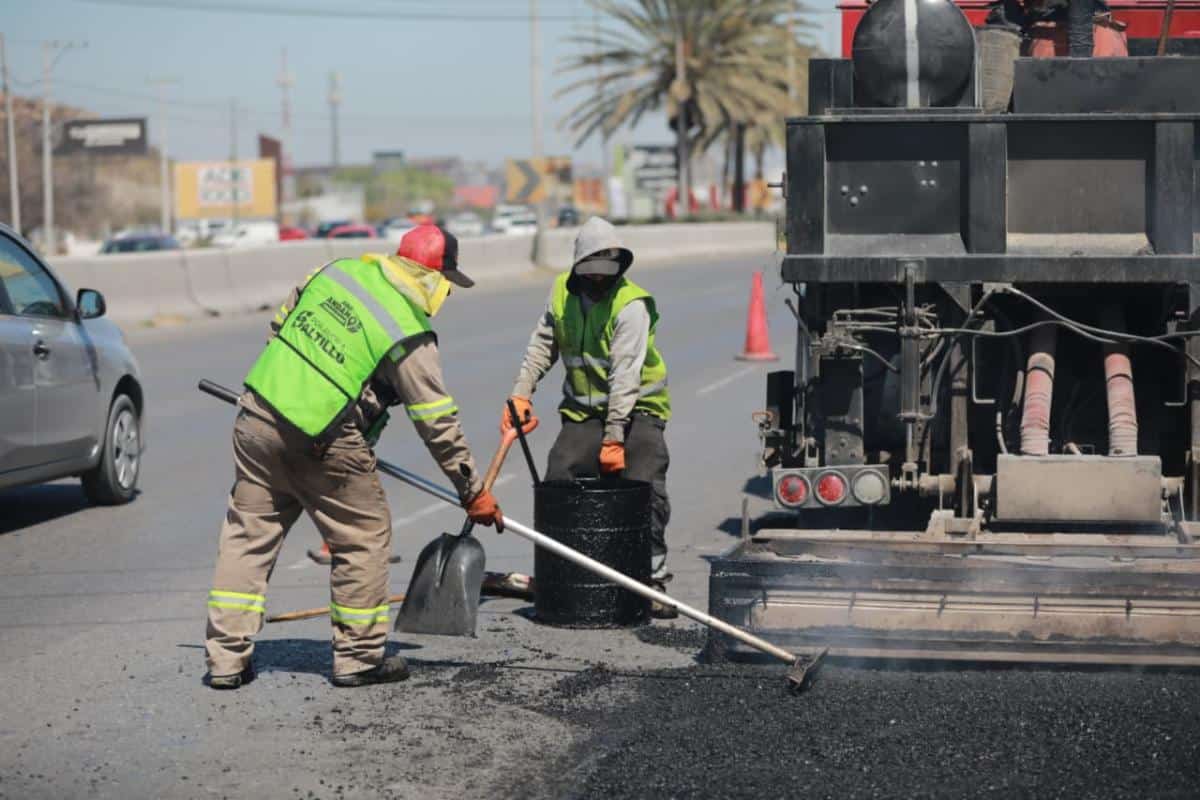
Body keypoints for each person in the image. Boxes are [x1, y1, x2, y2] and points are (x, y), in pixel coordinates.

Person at [204, 224, 503, 690]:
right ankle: (359, 657)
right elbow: (438, 423)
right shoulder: (408, 331)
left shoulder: (336, 272)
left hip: (257, 412)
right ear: (432, 278)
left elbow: (281, 327)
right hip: (320, 437)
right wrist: (473, 491)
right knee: (364, 534)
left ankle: (225, 660)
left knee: (248, 534)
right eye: (447, 283)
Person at [501, 216, 675, 617]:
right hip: (584, 413)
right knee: (560, 475)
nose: (599, 282)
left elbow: (625, 376)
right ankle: (563, 572)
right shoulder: (561, 294)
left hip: (637, 412)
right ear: (578, 267)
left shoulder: (631, 305)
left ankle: (653, 579)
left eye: (606, 274)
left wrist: (615, 438)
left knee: (642, 483)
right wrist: (520, 394)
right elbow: (541, 347)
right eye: (591, 274)